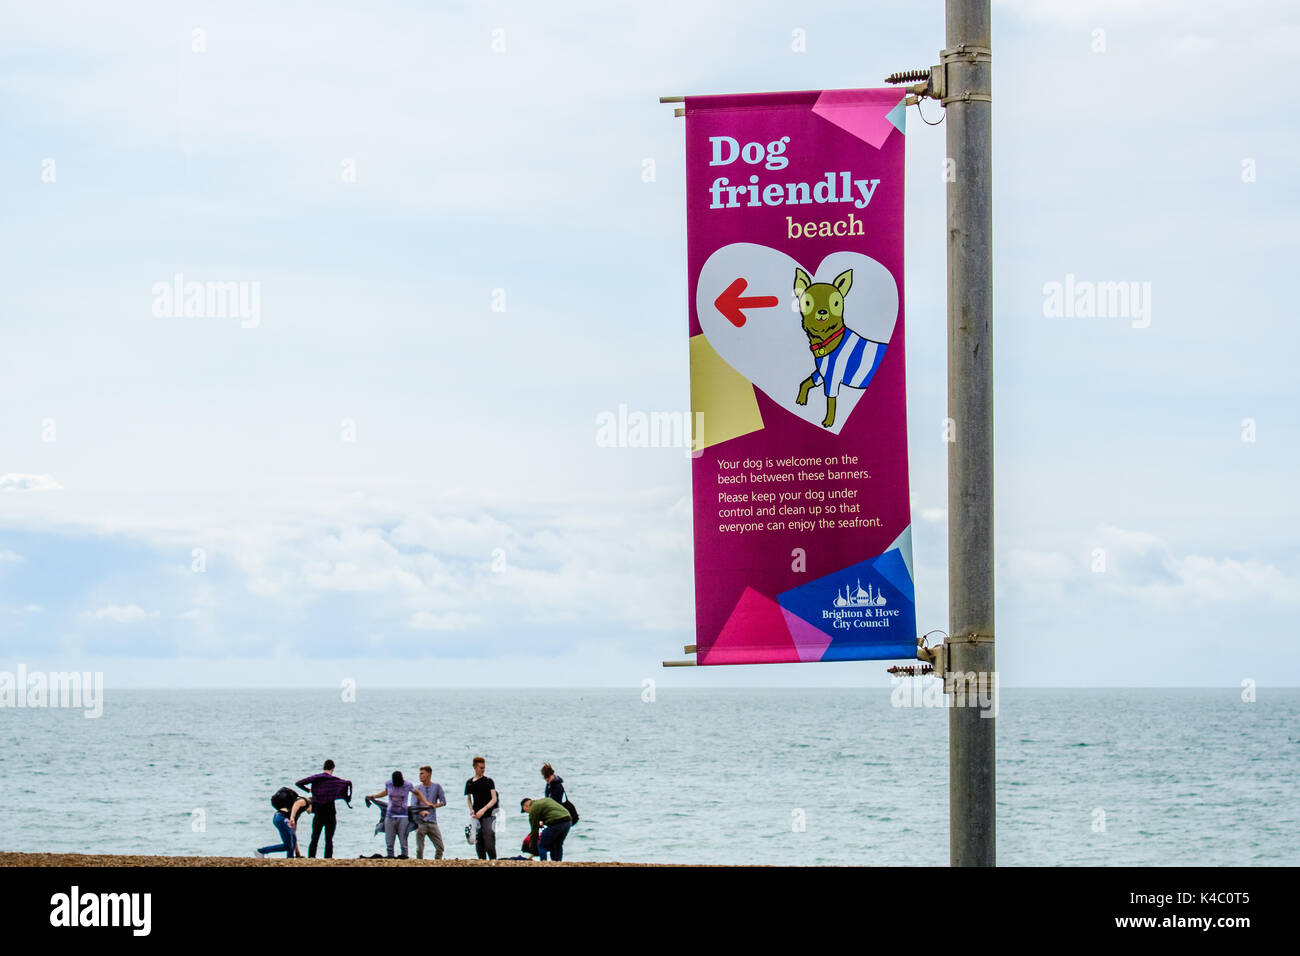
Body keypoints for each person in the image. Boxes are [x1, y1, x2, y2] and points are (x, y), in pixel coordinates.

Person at [366, 770, 433, 859]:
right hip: (389, 816)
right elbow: (386, 792)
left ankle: (404, 856)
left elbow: (417, 793)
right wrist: (374, 796)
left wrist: (426, 803)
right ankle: (390, 855)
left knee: (403, 838)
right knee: (389, 838)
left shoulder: (407, 785)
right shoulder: (389, 783)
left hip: (403, 816)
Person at [296, 759, 353, 859]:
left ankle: (311, 859)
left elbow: (299, 783)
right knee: (329, 839)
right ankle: (328, 860)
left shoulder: (316, 778)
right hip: (330, 812)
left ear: (323, 768)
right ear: (333, 769)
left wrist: (309, 790)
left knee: (314, 838)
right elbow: (346, 785)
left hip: (318, 812)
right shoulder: (335, 781)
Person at [255, 786, 310, 859]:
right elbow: (298, 803)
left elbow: (294, 832)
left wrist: (297, 853)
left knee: (292, 839)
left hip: (279, 817)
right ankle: (261, 851)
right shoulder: (306, 802)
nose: (310, 813)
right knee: (288, 845)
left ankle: (290, 858)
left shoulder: (297, 811)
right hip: (281, 818)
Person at [464, 756, 498, 860]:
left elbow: (494, 799)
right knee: (478, 842)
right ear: (475, 767)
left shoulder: (489, 781)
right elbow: (469, 799)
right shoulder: (469, 783)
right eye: (480, 768)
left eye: (484, 768)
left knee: (489, 840)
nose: (482, 770)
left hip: (489, 815)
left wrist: (483, 810)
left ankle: (493, 860)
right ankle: (482, 861)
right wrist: (471, 810)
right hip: (476, 815)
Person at [520, 797, 572, 862]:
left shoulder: (533, 808)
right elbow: (553, 812)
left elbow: (534, 832)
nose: (528, 813)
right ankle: (557, 863)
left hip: (557, 823)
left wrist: (533, 850)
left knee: (542, 845)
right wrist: (544, 822)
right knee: (557, 844)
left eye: (525, 811)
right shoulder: (546, 800)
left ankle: (543, 863)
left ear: (525, 806)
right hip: (568, 821)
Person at [413, 765, 447, 860]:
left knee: (440, 847)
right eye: (419, 774)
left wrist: (435, 805)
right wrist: (421, 812)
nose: (420, 776)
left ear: (429, 774)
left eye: (422, 774)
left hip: (432, 822)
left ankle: (437, 863)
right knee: (420, 849)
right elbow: (413, 805)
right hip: (420, 823)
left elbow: (443, 802)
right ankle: (419, 864)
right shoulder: (417, 789)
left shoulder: (437, 787)